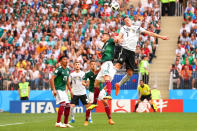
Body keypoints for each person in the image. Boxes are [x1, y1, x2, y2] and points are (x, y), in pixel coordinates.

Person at [114, 16, 169, 96]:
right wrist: (117, 38)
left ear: (131, 20)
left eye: (128, 20)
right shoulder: (124, 28)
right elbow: (119, 35)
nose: (127, 22)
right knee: (118, 65)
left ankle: (118, 84)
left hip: (132, 52)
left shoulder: (137, 28)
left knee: (130, 73)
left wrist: (161, 37)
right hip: (125, 49)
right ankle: (108, 79)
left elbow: (149, 33)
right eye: (125, 21)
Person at [87, 33, 120, 110]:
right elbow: (102, 56)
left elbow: (116, 40)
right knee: (96, 83)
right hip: (103, 64)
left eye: (103, 35)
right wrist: (100, 54)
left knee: (106, 77)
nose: (102, 36)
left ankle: (109, 94)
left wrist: (117, 38)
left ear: (107, 37)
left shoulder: (110, 41)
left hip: (108, 62)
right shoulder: (104, 45)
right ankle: (94, 103)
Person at [82, 60, 115, 126]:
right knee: (89, 106)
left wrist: (105, 86)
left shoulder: (100, 71)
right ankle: (86, 120)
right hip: (92, 91)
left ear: (96, 65)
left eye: (94, 64)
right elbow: (83, 81)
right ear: (90, 65)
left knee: (105, 102)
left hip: (101, 90)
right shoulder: (88, 73)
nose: (93, 65)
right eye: (92, 64)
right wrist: (84, 84)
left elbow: (106, 78)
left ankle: (110, 119)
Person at [50, 56, 73, 128]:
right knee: (63, 104)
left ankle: (66, 123)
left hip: (63, 90)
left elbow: (67, 81)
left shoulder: (68, 70)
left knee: (68, 106)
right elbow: (51, 79)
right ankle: (58, 122)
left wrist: (70, 90)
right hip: (57, 89)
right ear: (60, 62)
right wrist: (53, 89)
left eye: (66, 59)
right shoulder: (59, 69)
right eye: (64, 59)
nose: (66, 60)